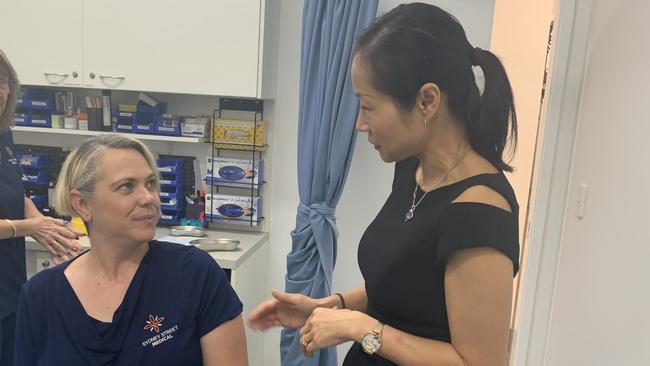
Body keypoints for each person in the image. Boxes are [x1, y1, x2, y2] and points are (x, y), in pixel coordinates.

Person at [248, 3, 520, 366]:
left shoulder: (480, 209)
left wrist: (361, 328)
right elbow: (403, 286)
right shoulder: (412, 170)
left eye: (369, 107)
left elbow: (479, 363)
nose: (361, 124)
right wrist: (329, 307)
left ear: (427, 101)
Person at [14, 134, 248, 365]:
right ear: (82, 204)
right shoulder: (40, 296)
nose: (148, 198)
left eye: (151, 184)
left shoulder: (194, 274)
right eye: (127, 186)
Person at [0, 49, 83, 365]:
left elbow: (13, 192)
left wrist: (45, 226)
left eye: (4, 81)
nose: (0, 90)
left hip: (10, 291)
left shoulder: (3, 133)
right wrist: (29, 227)